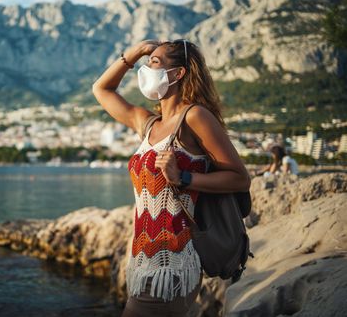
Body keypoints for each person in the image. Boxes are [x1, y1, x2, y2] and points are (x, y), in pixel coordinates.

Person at [92, 39, 251, 317]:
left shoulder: (195, 116)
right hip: (142, 260)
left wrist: (184, 178)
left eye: (154, 63)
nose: (146, 69)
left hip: (174, 262)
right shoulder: (148, 123)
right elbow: (101, 89)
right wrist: (135, 53)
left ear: (177, 74)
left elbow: (239, 178)